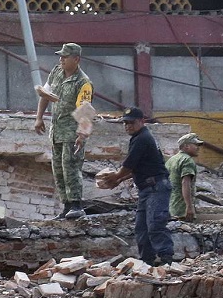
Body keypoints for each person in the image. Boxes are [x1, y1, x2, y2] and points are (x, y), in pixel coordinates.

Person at [97, 108, 174, 266]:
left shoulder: (142, 138)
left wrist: (116, 176)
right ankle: (147, 262)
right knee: (141, 228)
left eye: (131, 122)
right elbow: (138, 167)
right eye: (125, 123)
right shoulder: (138, 137)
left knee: (155, 224)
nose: (127, 126)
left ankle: (167, 261)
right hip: (148, 188)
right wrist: (120, 179)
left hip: (156, 187)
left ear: (142, 121)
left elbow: (128, 165)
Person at [35, 43, 93, 220]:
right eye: (60, 56)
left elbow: (86, 111)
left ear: (76, 59)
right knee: (58, 170)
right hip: (56, 131)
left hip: (72, 133)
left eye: (65, 57)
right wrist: (39, 118)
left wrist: (82, 135)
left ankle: (76, 205)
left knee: (71, 167)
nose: (61, 59)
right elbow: (45, 94)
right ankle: (66, 206)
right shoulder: (56, 72)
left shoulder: (83, 82)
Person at [166, 133, 203, 222]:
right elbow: (185, 183)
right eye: (195, 145)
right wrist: (189, 207)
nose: (198, 148)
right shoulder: (187, 161)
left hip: (170, 207)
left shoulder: (171, 160)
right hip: (182, 210)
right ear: (186, 146)